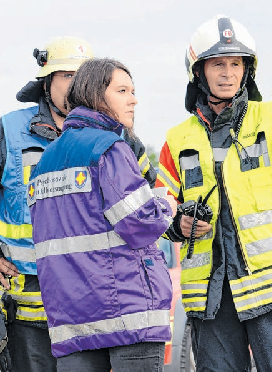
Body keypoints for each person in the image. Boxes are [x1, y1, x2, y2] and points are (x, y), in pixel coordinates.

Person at [0, 37, 158, 372]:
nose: (74, 86)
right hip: (31, 312)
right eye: (65, 77)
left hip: (101, 311)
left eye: (82, 77)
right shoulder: (8, 132)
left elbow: (149, 201)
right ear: (47, 83)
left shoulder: (121, 139)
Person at [156, 15, 272, 372]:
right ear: (198, 71)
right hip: (212, 299)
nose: (228, 73)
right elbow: (159, 208)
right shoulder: (176, 140)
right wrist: (179, 223)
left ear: (247, 70)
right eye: (218, 63)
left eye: (236, 63)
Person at [27, 58, 177, 372]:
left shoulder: (44, 161)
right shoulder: (110, 147)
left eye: (132, 91)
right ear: (96, 96)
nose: (133, 99)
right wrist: (166, 206)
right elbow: (140, 224)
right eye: (122, 90)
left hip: (71, 318)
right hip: (128, 310)